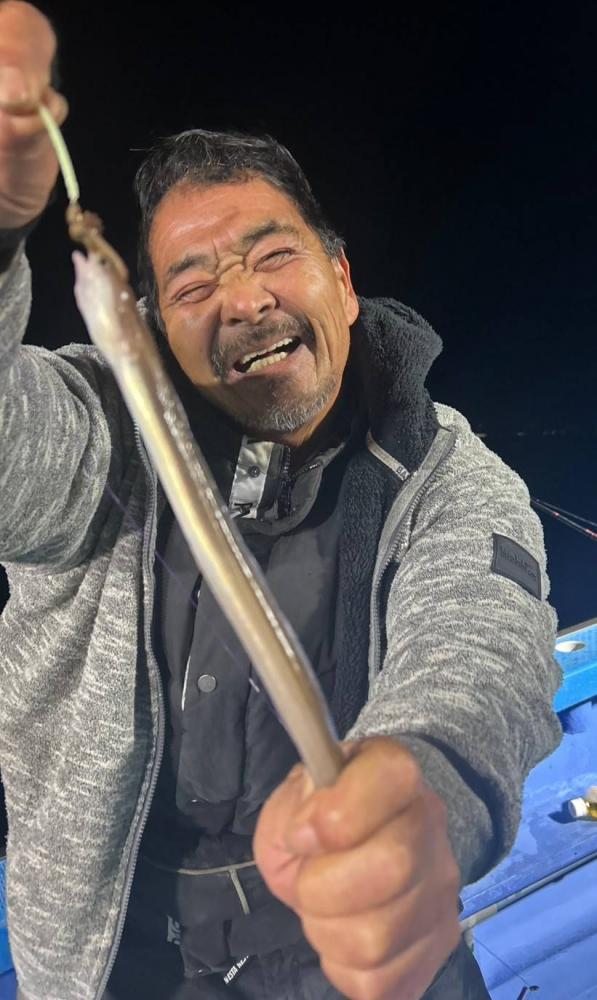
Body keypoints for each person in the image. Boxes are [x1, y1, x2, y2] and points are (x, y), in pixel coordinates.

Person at [0, 3, 563, 999]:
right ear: (149, 327)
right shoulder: (98, 437)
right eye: (192, 286)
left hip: (359, 960)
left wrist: (425, 784)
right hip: (118, 967)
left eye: (272, 256)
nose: (245, 299)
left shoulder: (445, 476)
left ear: (341, 281)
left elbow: (483, 646)